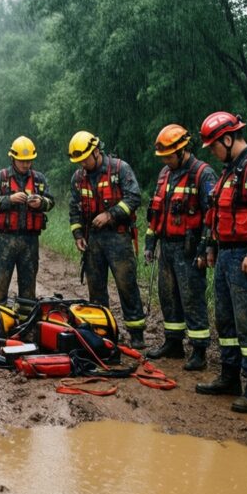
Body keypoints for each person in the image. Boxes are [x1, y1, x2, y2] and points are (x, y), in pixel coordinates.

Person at [196, 111, 247, 413]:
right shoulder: (231, 169)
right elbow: (217, 213)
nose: (213, 153)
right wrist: (210, 247)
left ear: (228, 139)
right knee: (227, 320)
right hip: (227, 254)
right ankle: (229, 377)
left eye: (214, 146)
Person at [144, 124, 217, 370]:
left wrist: (205, 249)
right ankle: (173, 343)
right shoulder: (165, 174)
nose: (165, 160)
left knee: (192, 298)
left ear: (182, 150)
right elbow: (156, 212)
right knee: (168, 296)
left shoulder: (203, 174)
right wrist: (150, 243)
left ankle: (199, 351)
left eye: (168, 155)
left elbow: (212, 216)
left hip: (190, 248)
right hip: (166, 246)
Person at [67, 131, 146, 349]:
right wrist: (78, 235)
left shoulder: (120, 169)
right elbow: (74, 209)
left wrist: (110, 215)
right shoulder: (78, 178)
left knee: (126, 285)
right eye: (79, 161)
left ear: (96, 151)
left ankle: (136, 333)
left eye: (85, 158)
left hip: (118, 237)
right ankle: (103, 332)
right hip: (92, 241)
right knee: (96, 289)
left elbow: (134, 197)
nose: (82, 164)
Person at [0, 136, 54, 309]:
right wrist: (10, 199)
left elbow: (51, 202)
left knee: (28, 292)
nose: (25, 164)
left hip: (30, 242)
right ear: (12, 158)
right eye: (22, 161)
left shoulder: (39, 179)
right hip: (5, 241)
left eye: (29, 160)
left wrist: (41, 202)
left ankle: (26, 329)